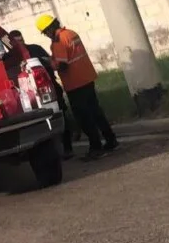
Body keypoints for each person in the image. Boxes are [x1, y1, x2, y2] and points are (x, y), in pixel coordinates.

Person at [36, 14, 118, 161]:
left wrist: (49, 62)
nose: (47, 35)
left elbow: (62, 65)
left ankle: (96, 147)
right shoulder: (71, 33)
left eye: (45, 32)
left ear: (48, 30)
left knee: (84, 117)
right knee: (95, 111)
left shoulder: (58, 41)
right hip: (87, 78)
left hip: (75, 84)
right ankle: (111, 139)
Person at [8, 29, 77, 158]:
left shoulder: (36, 49)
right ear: (11, 42)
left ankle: (68, 147)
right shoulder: (8, 58)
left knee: (59, 113)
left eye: (21, 40)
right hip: (26, 96)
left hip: (49, 88)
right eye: (16, 41)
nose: (20, 43)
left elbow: (50, 63)